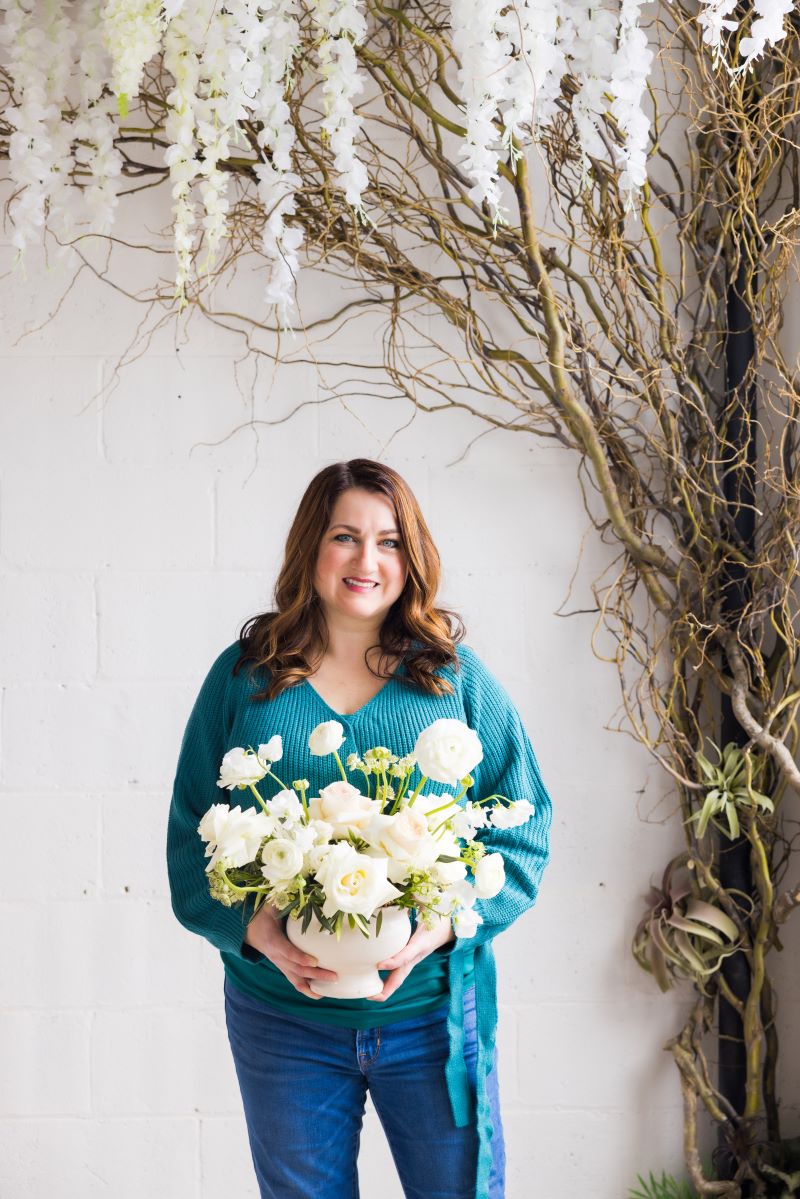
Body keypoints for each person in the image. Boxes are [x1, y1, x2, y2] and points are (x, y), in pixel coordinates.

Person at [167, 458, 553, 1199]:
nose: (367, 560)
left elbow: (525, 822)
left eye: (389, 541)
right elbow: (190, 831)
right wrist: (258, 933)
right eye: (346, 536)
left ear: (412, 558)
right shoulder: (244, 679)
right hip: (283, 1022)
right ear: (311, 546)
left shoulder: (453, 681)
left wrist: (442, 924)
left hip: (434, 1017)